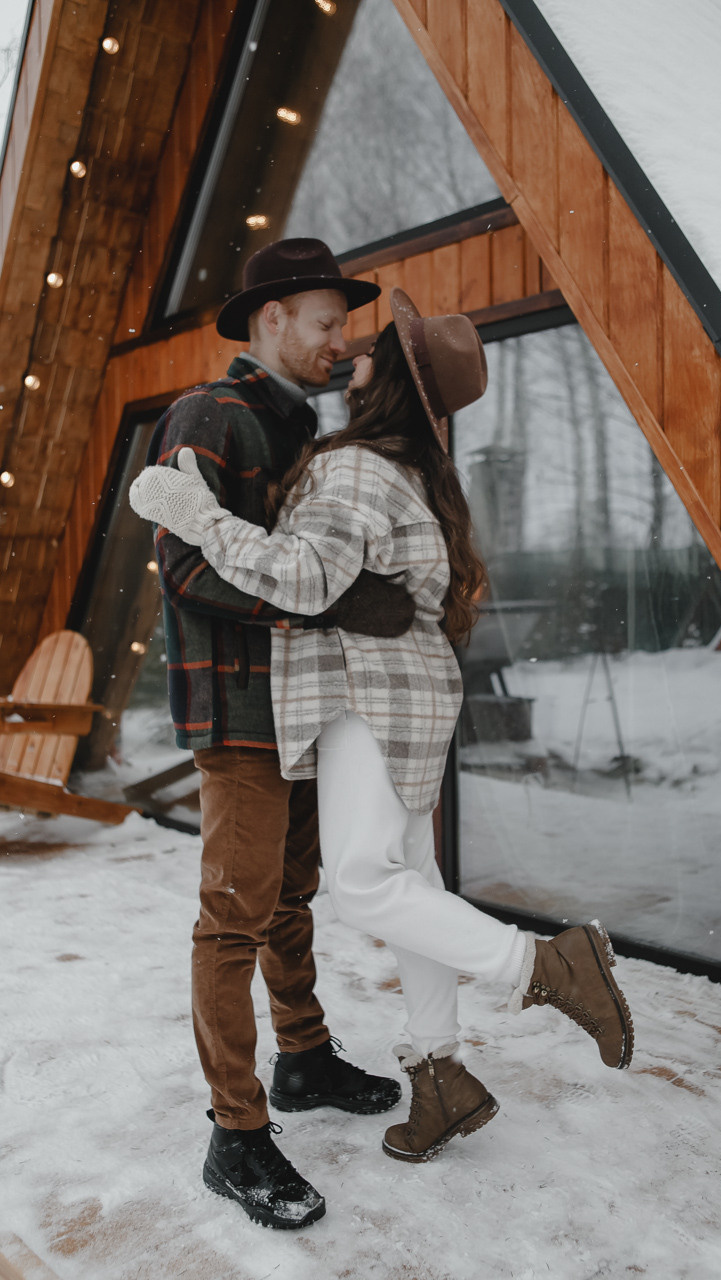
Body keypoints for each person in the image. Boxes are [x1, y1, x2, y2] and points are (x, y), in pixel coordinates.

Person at [131, 289, 635, 1198]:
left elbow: (306, 573)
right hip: (405, 697)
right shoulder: (405, 463)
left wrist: (196, 515)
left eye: (364, 351)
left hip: (368, 696)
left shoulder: (358, 464)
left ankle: (548, 966)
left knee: (364, 882)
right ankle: (437, 1072)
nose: (350, 353)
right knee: (413, 882)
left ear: (391, 380)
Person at [145, 240, 420, 1232]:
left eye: (341, 324)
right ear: (270, 320)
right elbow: (183, 563)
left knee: (288, 896)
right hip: (240, 715)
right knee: (232, 915)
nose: (337, 340)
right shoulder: (210, 416)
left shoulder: (304, 430)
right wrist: (325, 606)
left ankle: (300, 1056)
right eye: (323, 320)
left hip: (303, 708)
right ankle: (235, 1130)